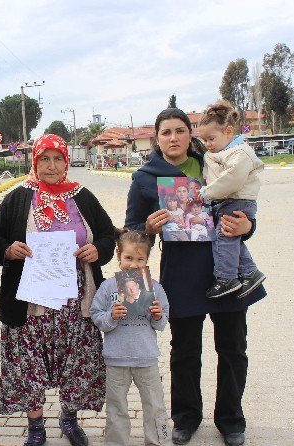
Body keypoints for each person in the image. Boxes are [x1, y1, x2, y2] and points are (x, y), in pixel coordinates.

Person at [125, 107, 266, 446]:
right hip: (181, 274)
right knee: (185, 351)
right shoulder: (146, 177)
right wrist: (147, 227)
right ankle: (186, 417)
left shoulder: (217, 162)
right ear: (156, 140)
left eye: (179, 131)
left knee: (232, 347)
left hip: (226, 272)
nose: (173, 138)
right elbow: (130, 231)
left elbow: (242, 202)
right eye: (165, 133)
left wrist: (248, 227)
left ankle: (231, 419)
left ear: (191, 134)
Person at [0, 134, 115, 446]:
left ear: (66, 161)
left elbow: (106, 235)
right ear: (34, 161)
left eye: (57, 158)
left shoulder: (83, 197)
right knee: (28, 362)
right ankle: (36, 426)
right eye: (44, 159)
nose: (51, 165)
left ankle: (70, 418)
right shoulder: (18, 198)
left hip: (77, 299)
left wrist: (97, 250)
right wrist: (9, 250)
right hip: (31, 300)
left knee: (76, 360)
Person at [91, 228, 170, 446]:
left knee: (155, 405)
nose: (133, 264)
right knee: (116, 406)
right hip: (116, 359)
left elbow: (163, 323)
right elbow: (96, 315)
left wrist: (158, 315)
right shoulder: (108, 287)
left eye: (139, 259)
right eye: (128, 258)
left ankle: (157, 441)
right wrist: (111, 317)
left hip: (146, 358)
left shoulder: (155, 288)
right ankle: (116, 442)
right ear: (118, 258)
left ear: (146, 260)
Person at [197, 100, 266, 299]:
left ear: (228, 131)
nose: (208, 144)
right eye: (205, 140)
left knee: (224, 238)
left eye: (211, 138)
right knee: (228, 239)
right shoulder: (223, 151)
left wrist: (206, 193)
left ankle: (226, 278)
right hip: (229, 200)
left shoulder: (240, 152)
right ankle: (250, 272)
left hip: (236, 200)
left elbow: (232, 179)